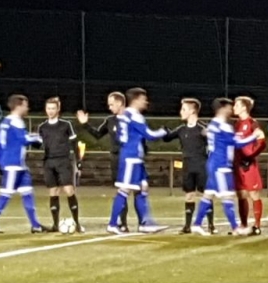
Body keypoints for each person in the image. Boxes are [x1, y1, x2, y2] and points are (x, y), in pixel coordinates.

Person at [191, 98, 264, 236]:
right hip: (221, 164)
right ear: (222, 109)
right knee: (227, 196)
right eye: (229, 107)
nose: (231, 110)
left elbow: (207, 133)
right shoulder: (223, 126)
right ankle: (236, 227)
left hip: (213, 162)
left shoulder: (214, 123)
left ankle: (197, 224)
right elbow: (237, 143)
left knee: (208, 194)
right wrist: (253, 136)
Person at [107, 88, 169, 234]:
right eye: (143, 99)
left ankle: (145, 224)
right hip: (131, 157)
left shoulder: (124, 115)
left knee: (142, 187)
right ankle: (112, 224)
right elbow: (149, 135)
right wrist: (164, 131)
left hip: (133, 157)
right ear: (135, 100)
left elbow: (120, 136)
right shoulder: (134, 115)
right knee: (124, 190)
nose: (145, 102)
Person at [0, 95, 47, 233]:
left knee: (27, 193)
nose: (27, 108)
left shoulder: (6, 122)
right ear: (18, 106)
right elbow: (23, 139)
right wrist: (39, 138)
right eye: (25, 105)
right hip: (13, 164)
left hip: (18, 164)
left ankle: (35, 225)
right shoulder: (15, 121)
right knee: (5, 194)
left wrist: (0, 161)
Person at [76, 92, 130, 232]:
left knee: (133, 191)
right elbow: (98, 134)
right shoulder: (110, 120)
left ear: (119, 103)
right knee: (120, 190)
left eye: (111, 104)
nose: (109, 107)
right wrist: (85, 124)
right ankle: (122, 222)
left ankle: (140, 222)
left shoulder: (131, 119)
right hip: (115, 158)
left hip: (129, 158)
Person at [163, 98, 213, 234]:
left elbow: (215, 143)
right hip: (188, 166)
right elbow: (167, 137)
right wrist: (162, 131)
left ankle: (211, 225)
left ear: (192, 111)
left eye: (184, 109)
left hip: (202, 166)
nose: (181, 112)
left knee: (205, 195)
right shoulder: (181, 129)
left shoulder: (203, 128)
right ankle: (187, 226)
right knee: (189, 195)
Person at [37, 96, 83, 232]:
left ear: (58, 109)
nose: (50, 111)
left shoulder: (66, 125)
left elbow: (75, 144)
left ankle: (77, 223)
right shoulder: (42, 127)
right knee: (53, 192)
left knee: (69, 190)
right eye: (48, 108)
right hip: (48, 162)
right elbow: (38, 145)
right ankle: (55, 225)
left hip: (63, 161)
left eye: (53, 108)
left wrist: (78, 162)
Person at [233, 96, 266, 234]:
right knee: (241, 195)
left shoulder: (252, 123)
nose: (234, 107)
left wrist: (250, 156)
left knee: (254, 193)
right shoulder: (236, 124)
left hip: (248, 165)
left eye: (236, 105)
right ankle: (244, 225)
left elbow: (262, 142)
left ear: (244, 107)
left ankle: (257, 226)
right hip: (237, 165)